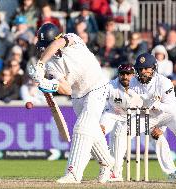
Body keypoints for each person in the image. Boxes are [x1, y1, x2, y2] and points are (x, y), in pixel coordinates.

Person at [28, 23, 114, 184]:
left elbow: (57, 44)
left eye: (46, 45)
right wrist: (46, 82)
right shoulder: (51, 64)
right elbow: (66, 89)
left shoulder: (72, 39)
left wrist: (39, 64)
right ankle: (108, 164)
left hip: (97, 88)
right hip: (78, 96)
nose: (44, 49)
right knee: (92, 134)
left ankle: (74, 173)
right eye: (42, 47)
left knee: (82, 128)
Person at [115, 52, 176, 182]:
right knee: (123, 131)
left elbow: (172, 108)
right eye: (140, 69)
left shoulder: (164, 82)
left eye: (147, 68)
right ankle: (115, 171)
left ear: (153, 68)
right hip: (147, 116)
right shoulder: (132, 83)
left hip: (169, 114)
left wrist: (160, 123)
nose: (143, 72)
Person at [100, 63, 176, 181]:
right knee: (113, 134)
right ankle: (115, 172)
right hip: (115, 114)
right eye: (122, 74)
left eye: (128, 74)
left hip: (139, 117)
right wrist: (101, 123)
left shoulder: (140, 84)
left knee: (157, 138)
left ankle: (172, 171)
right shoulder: (111, 85)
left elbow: (162, 110)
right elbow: (101, 103)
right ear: (118, 75)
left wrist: (161, 128)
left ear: (133, 74)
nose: (125, 77)